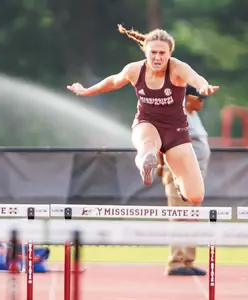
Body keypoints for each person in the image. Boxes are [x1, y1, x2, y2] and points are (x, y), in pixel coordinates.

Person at [67, 24, 219, 205]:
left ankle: (179, 184)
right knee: (147, 146)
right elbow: (113, 82)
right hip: (147, 123)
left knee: (195, 196)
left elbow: (195, 78)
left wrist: (203, 86)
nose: (157, 57)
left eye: (162, 53)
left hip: (175, 131)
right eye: (153, 52)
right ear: (145, 52)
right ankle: (147, 165)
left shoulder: (177, 68)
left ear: (170, 54)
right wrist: (86, 91)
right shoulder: (134, 70)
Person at [158, 85, 211, 276]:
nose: (202, 102)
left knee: (192, 217)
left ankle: (187, 261)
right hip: (180, 174)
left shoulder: (193, 116)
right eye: (198, 98)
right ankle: (176, 262)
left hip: (195, 176)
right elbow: (163, 140)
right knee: (180, 216)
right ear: (187, 98)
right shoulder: (176, 114)